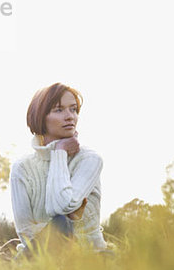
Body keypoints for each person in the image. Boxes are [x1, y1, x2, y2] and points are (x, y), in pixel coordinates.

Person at [10, 83, 107, 255]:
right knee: (60, 224)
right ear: (40, 116)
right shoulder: (22, 168)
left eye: (74, 109)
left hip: (88, 257)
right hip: (39, 256)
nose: (70, 117)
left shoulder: (89, 160)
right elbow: (25, 230)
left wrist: (59, 153)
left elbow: (61, 207)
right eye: (59, 110)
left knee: (61, 222)